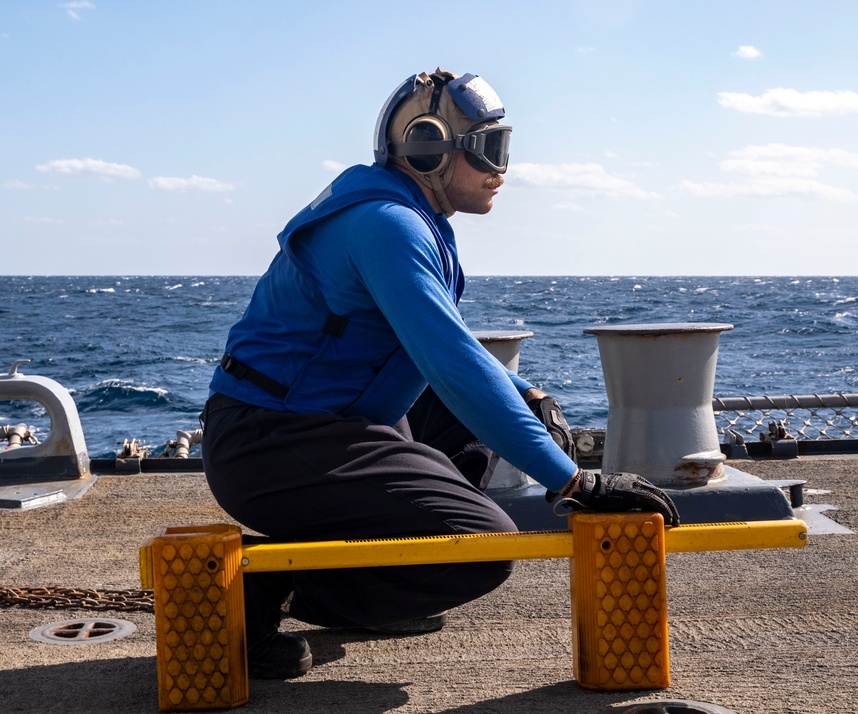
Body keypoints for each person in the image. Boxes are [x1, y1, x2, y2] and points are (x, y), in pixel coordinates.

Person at [200, 68, 679, 680]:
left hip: (323, 421)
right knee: (479, 549)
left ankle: (380, 570)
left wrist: (525, 392)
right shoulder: (386, 226)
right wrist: (575, 485)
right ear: (429, 149)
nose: (501, 171)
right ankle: (263, 586)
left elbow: (446, 348)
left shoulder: (406, 216)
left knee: (485, 418)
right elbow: (452, 366)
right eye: (489, 151)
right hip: (268, 442)